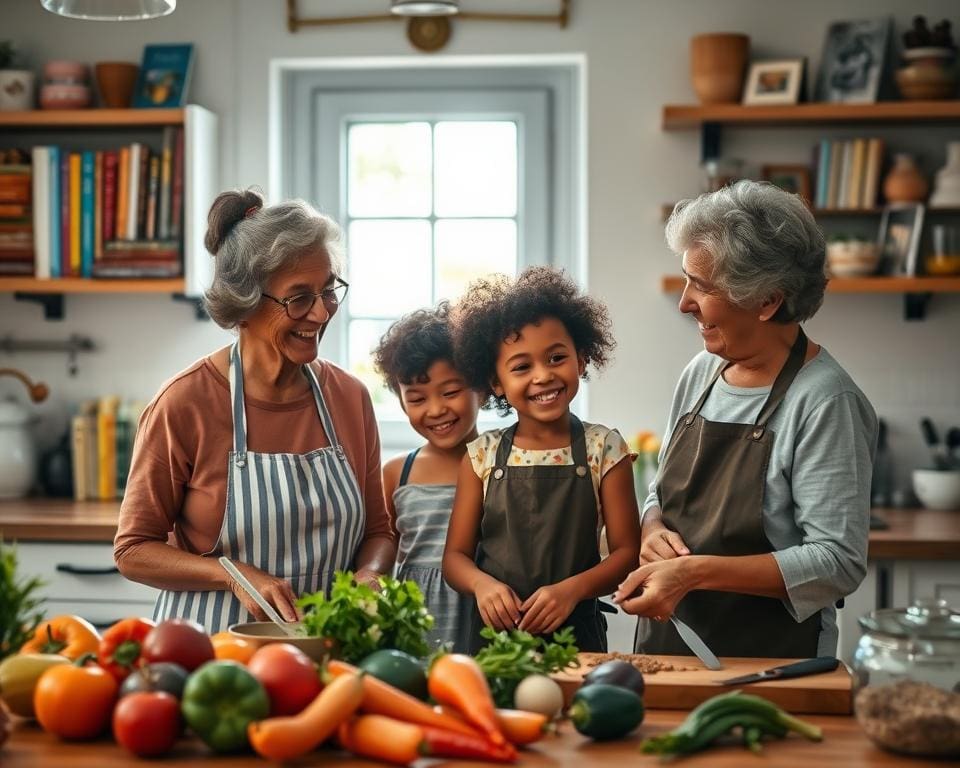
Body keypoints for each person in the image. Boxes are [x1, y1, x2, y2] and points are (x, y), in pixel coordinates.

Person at [613, 180, 877, 658]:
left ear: (767, 301)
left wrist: (694, 573)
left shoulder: (825, 400)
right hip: (669, 650)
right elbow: (662, 492)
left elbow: (837, 562)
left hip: (773, 661)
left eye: (704, 285)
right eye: (686, 277)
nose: (684, 302)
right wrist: (652, 529)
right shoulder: (702, 373)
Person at [114, 189, 397, 633]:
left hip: (326, 646)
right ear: (243, 303)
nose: (322, 313)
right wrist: (232, 574)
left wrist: (371, 575)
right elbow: (133, 550)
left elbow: (379, 530)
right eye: (299, 298)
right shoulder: (184, 404)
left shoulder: (350, 397)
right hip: (211, 651)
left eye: (328, 291)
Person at [443, 267, 641, 654]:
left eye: (556, 358)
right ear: (496, 383)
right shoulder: (480, 456)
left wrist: (572, 591)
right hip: (491, 642)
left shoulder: (606, 449)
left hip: (577, 639)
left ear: (582, 359)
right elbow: (455, 557)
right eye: (521, 366)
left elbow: (627, 555)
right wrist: (483, 585)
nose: (543, 376)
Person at [373, 302, 483, 649]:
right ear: (403, 404)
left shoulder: (500, 462)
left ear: (481, 387)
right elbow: (384, 543)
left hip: (482, 617)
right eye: (417, 399)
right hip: (414, 624)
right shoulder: (396, 473)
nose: (436, 410)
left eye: (450, 392)